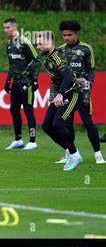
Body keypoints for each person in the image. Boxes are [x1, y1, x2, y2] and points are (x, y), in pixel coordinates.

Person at [36, 30, 83, 171]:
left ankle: (75, 155)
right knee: (46, 125)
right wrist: (56, 95)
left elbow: (68, 77)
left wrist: (61, 94)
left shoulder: (57, 57)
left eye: (40, 43)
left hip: (72, 94)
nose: (38, 46)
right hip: (60, 95)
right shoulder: (48, 57)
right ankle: (69, 151)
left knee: (58, 123)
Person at [58, 20, 104, 164]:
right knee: (66, 124)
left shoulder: (86, 49)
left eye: (69, 35)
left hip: (81, 93)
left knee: (88, 123)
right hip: (67, 94)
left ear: (76, 34)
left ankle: (98, 155)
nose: (66, 38)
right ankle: (70, 154)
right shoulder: (60, 50)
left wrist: (87, 94)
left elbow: (91, 72)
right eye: (64, 35)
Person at [2, 18, 41, 150]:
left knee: (28, 109)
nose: (5, 30)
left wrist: (34, 79)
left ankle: (32, 141)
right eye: (4, 28)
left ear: (15, 27)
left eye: (8, 27)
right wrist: (8, 80)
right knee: (13, 109)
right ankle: (18, 139)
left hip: (27, 82)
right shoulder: (8, 44)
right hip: (16, 82)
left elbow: (37, 60)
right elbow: (12, 65)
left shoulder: (25, 42)